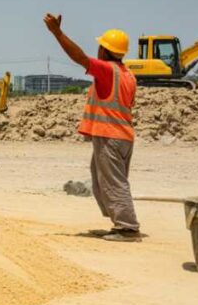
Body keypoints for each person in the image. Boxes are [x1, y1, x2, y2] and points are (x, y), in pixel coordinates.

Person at [43, 13, 141, 242]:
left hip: (111, 136)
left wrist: (57, 33)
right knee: (101, 180)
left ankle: (127, 227)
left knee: (113, 182)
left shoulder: (108, 71)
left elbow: (80, 58)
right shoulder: (128, 75)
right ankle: (119, 222)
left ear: (105, 50)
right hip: (121, 136)